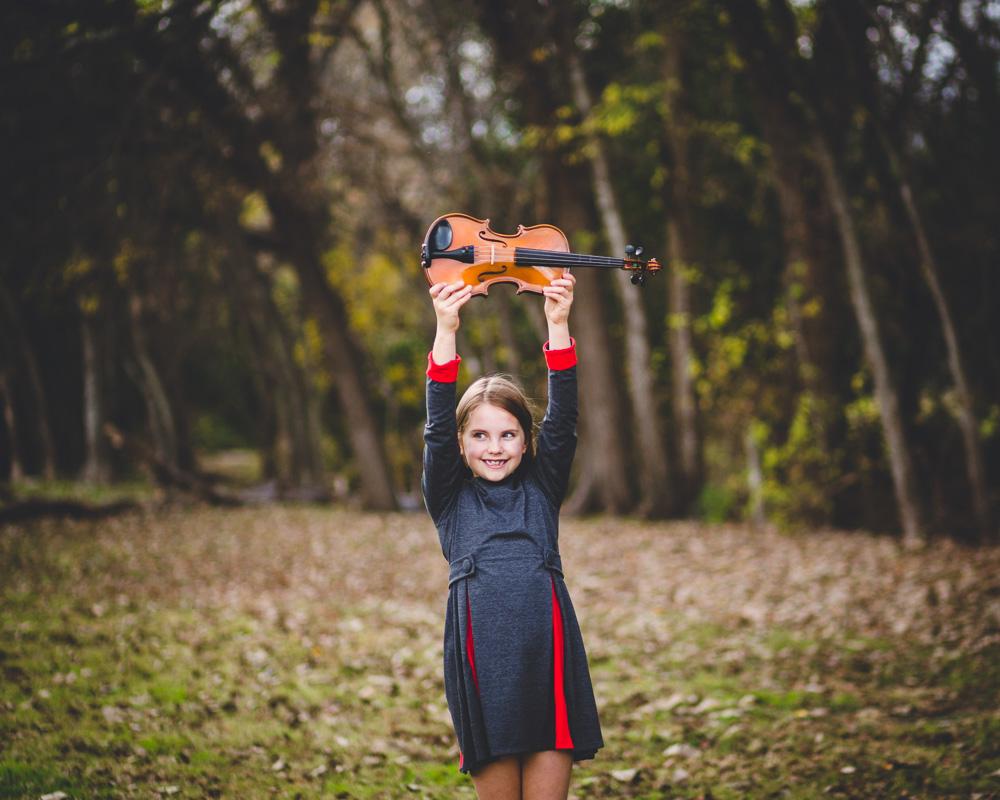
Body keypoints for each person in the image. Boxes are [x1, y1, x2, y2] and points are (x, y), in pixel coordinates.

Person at [422, 274, 604, 800]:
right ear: (461, 445)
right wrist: (445, 329)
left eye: (508, 434)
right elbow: (435, 427)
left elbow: (565, 420)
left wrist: (558, 325)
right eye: (479, 435)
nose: (494, 447)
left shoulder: (543, 489)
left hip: (549, 662)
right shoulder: (449, 500)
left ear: (527, 442)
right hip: (483, 670)